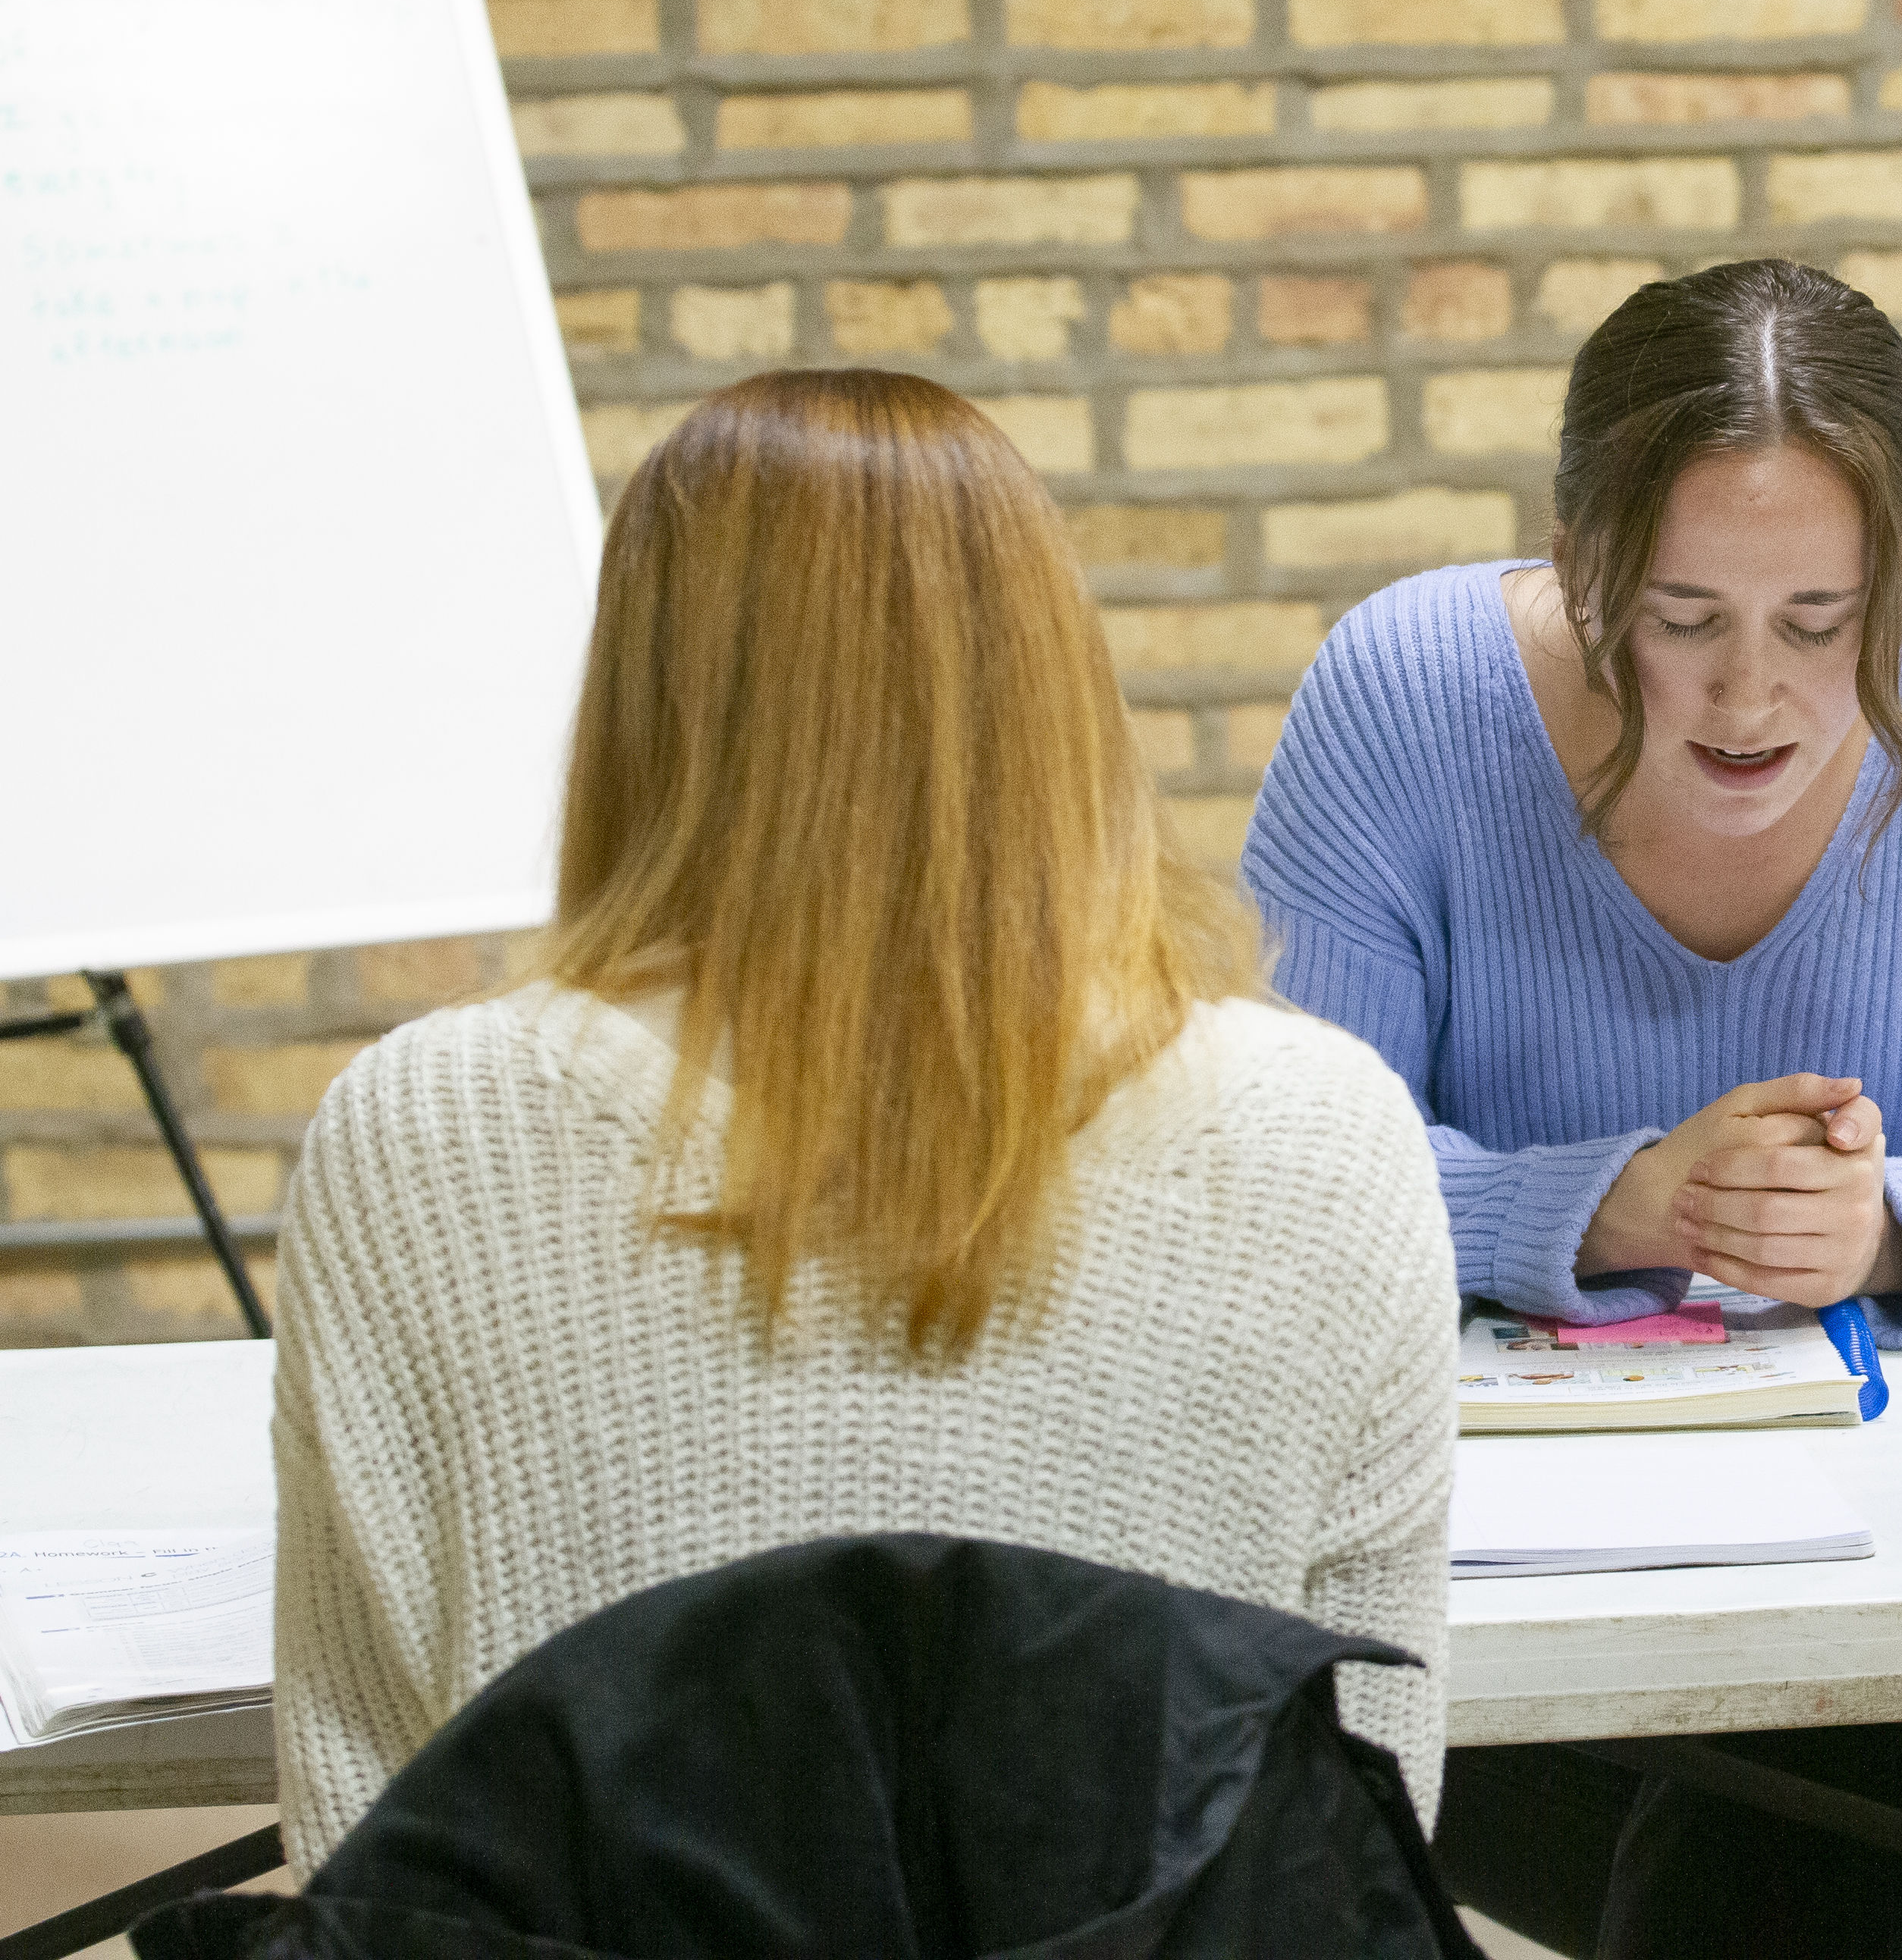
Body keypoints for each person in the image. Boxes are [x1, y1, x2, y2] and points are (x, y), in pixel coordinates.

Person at [267, 373, 1457, 1874]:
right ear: (1053, 679)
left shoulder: (421, 1132)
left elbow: (358, 1842)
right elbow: (1369, 1825)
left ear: (641, 690)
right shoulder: (1327, 1134)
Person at [1241, 257, 1902, 1955]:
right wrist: (1598, 1207)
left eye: (1820, 622)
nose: (1749, 698)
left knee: (1842, 1811)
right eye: (1678, 617)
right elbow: (1272, 1177)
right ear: (1575, 562)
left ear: (1900, 577)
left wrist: (1898, 1227)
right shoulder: (1407, 695)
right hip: (1518, 1657)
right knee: (1830, 1853)